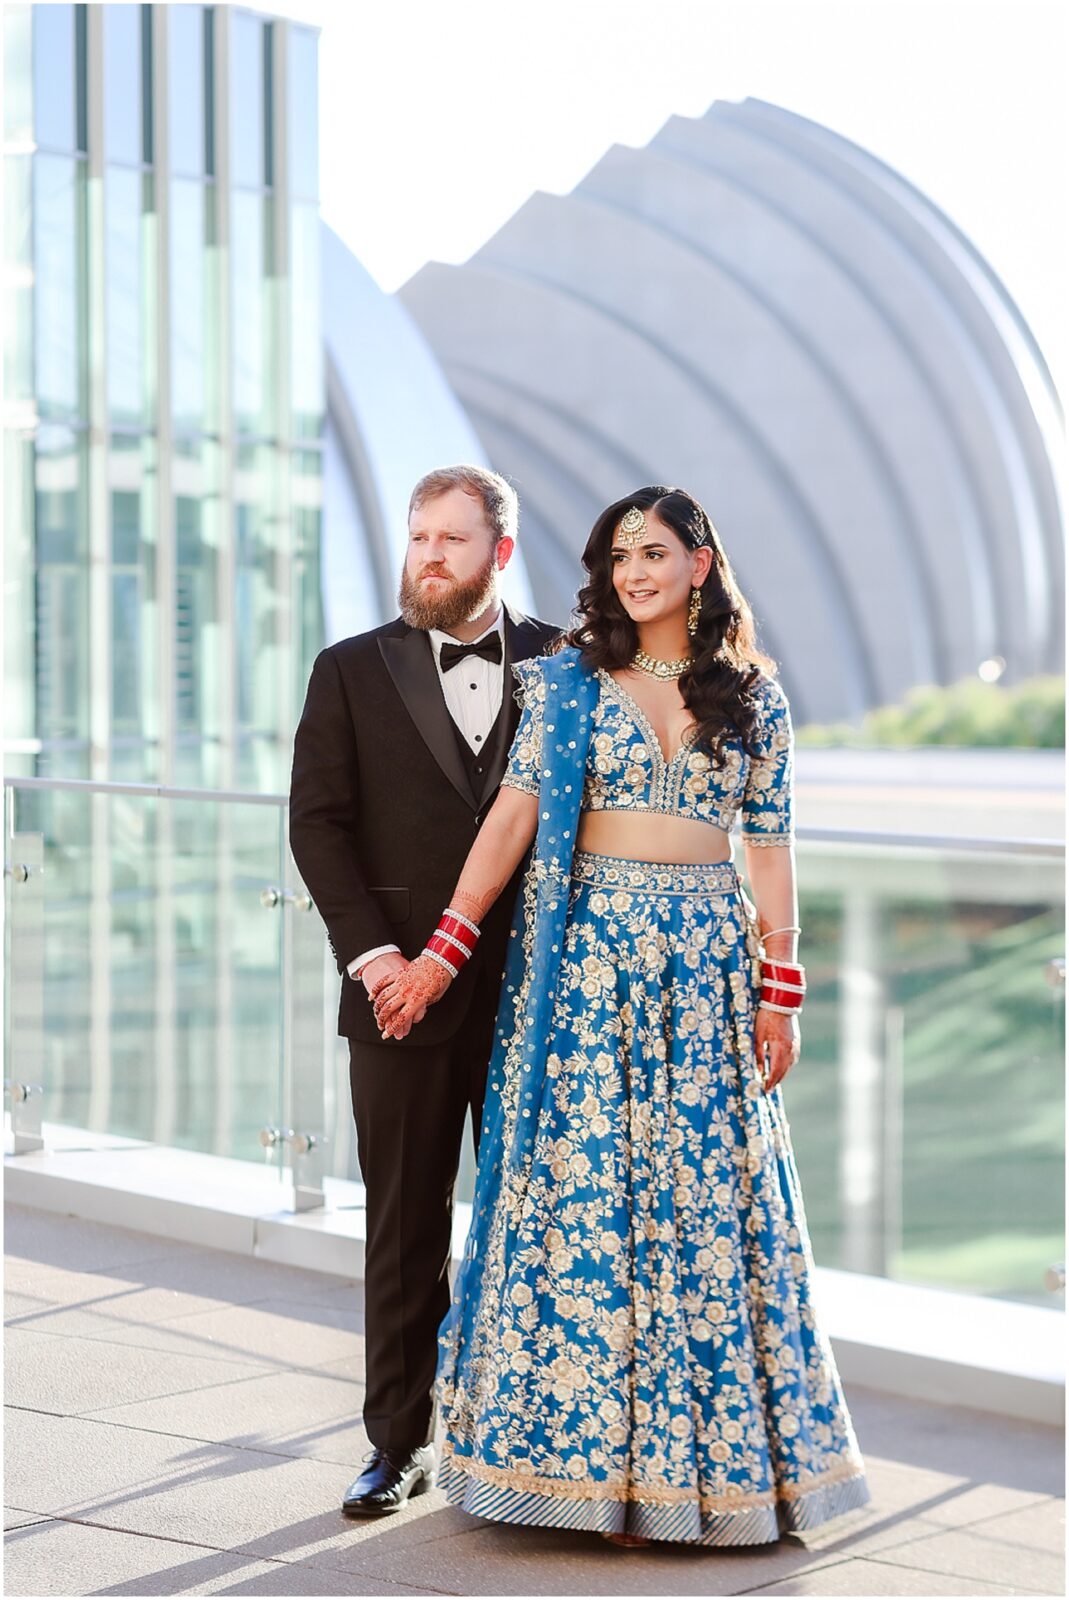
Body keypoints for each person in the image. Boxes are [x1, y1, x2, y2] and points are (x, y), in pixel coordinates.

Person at [371, 485, 872, 1546]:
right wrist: (444, 953)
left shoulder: (754, 701)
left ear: (701, 562)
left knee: (698, 1205)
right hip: (588, 968)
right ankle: (588, 1477)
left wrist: (780, 989)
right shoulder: (568, 684)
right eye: (616, 555)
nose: (632, 571)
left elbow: (771, 848)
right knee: (591, 1197)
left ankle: (706, 1479)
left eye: (653, 551)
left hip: (704, 971)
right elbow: (512, 821)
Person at [288, 465, 560, 1516]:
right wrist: (376, 959)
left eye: (452, 538)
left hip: (539, 996)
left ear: (498, 549)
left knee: (533, 1223)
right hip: (396, 992)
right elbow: (316, 824)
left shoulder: (566, 666)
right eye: (417, 537)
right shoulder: (350, 669)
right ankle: (395, 1443)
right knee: (405, 1226)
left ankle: (525, 1445)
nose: (429, 556)